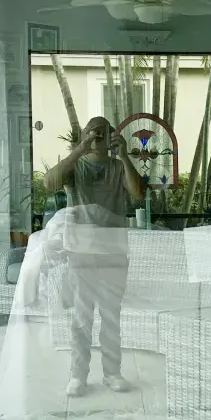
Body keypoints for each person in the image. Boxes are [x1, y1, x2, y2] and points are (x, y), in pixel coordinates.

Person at [43, 116, 145, 397]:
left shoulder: (117, 166)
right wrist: (79, 148)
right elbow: (48, 183)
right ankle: (78, 376)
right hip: (80, 252)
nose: (98, 137)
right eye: (93, 132)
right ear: (85, 135)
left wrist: (124, 155)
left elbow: (138, 195)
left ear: (113, 136)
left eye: (104, 132)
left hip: (114, 252)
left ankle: (112, 373)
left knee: (112, 316)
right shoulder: (76, 167)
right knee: (81, 317)